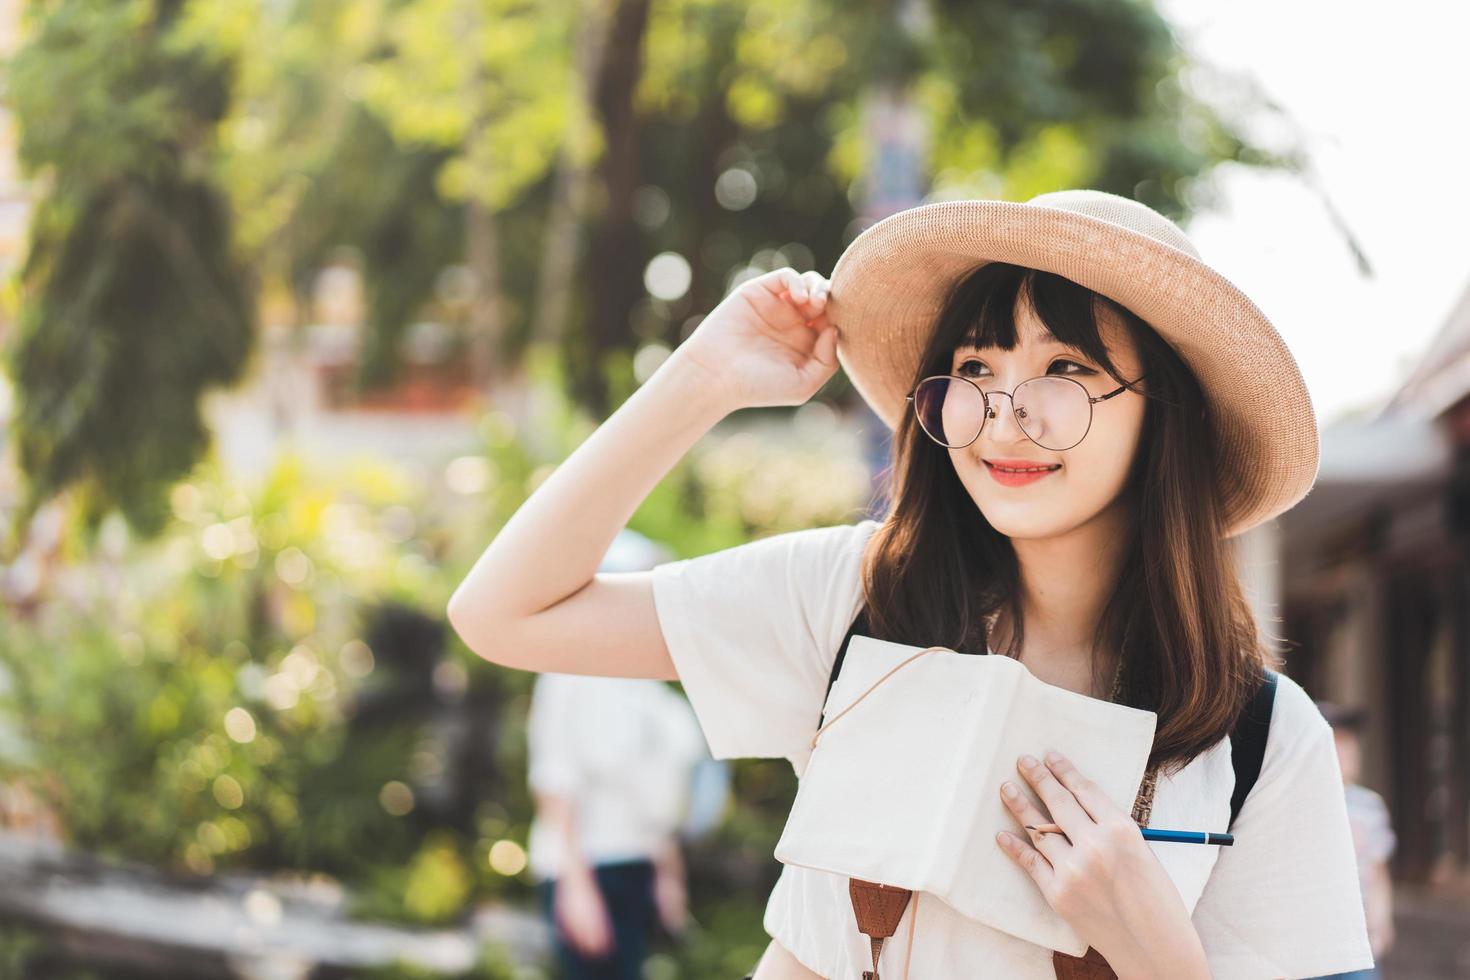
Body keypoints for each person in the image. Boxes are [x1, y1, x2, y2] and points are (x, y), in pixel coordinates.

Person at [448, 189, 1375, 979]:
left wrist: (1156, 953)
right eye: (976, 367)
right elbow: (504, 613)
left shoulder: (1256, 736)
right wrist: (701, 378)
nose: (1004, 418)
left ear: (1163, 417)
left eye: (1065, 370)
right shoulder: (852, 600)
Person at [525, 529, 709, 979]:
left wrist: (668, 876)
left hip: (636, 866)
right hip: (590, 869)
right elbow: (554, 783)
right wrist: (576, 888)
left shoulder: (648, 688)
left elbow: (658, 796)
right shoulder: (567, 677)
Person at [1306, 702, 1396, 980]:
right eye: (1339, 742)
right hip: (1311, 941)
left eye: (1351, 742)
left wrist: (1382, 922)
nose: (1349, 751)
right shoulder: (1302, 802)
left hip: (1358, 942)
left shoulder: (1369, 805)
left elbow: (1377, 870)